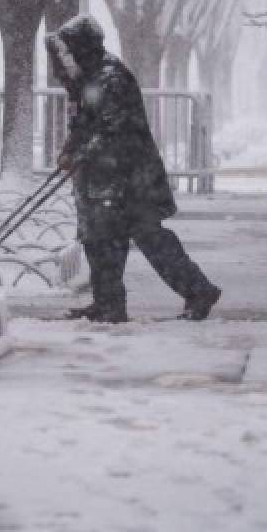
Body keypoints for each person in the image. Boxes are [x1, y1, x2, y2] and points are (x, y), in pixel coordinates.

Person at [46, 16, 222, 324]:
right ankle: (107, 303)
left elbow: (113, 130)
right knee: (98, 238)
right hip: (108, 177)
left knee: (149, 238)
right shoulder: (91, 77)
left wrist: (82, 154)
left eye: (72, 49)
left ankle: (198, 291)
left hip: (131, 178)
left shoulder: (110, 78)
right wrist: (69, 151)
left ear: (84, 47)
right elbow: (85, 125)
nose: (68, 57)